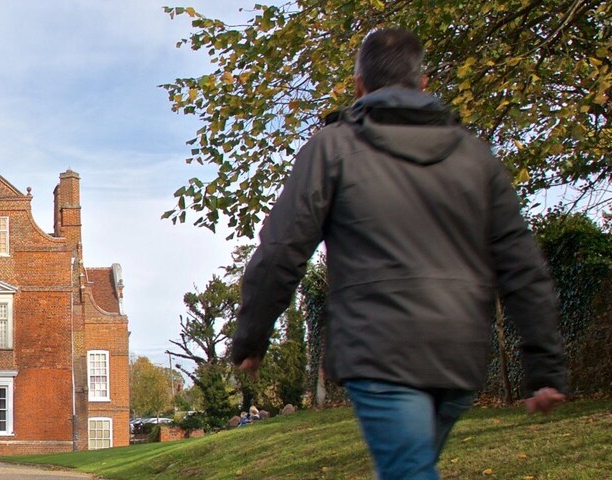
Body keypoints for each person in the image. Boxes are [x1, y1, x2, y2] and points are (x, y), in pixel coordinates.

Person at [229, 28, 570, 480]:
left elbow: (281, 249)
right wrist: (544, 365)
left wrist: (251, 338)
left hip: (379, 347)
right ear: (423, 83)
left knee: (408, 471)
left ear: (358, 85)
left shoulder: (332, 149)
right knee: (408, 467)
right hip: (457, 349)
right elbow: (522, 265)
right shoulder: (476, 157)